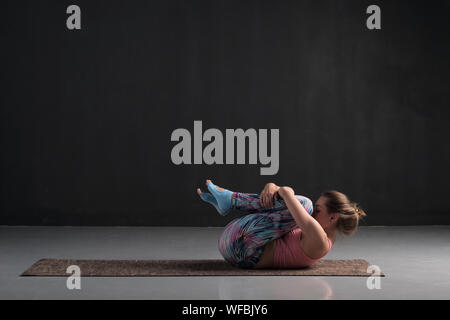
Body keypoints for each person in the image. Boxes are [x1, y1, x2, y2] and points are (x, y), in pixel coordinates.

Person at [197, 180, 366, 269]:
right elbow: (282, 204)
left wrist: (282, 189)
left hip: (242, 249)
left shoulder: (320, 241)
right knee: (297, 205)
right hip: (237, 244)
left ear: (332, 218)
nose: (314, 212)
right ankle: (229, 200)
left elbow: (287, 195)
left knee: (304, 204)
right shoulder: (315, 233)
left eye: (319, 210)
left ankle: (232, 199)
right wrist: (272, 188)